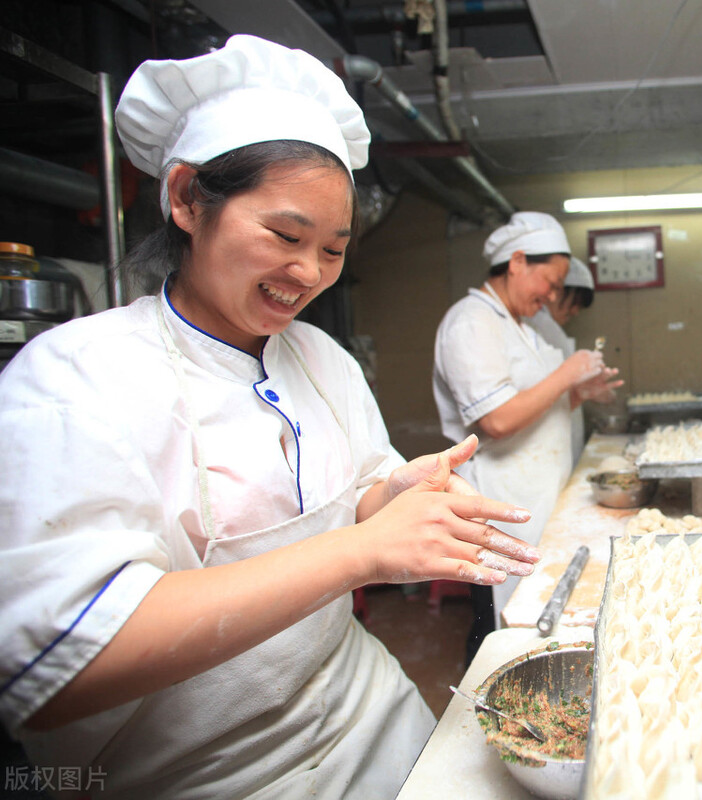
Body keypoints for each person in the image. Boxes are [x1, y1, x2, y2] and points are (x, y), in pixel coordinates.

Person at [0, 35, 540, 799]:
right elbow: (64, 668)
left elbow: (357, 486)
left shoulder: (319, 358)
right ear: (188, 199)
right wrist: (361, 553)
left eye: (331, 250)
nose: (308, 275)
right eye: (285, 237)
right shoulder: (75, 380)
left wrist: (394, 496)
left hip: (374, 722)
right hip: (198, 774)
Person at [433, 213, 621, 653]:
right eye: (550, 282)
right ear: (517, 261)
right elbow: (496, 420)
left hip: (536, 494)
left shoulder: (522, 327)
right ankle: (484, 708)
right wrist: (568, 374)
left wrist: (576, 396)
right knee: (497, 624)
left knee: (536, 608)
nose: (552, 295)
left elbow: (535, 411)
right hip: (498, 502)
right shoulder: (471, 322)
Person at [526, 255, 607, 465]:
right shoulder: (538, 323)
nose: (574, 311)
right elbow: (498, 422)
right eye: (575, 302)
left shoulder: (546, 325)